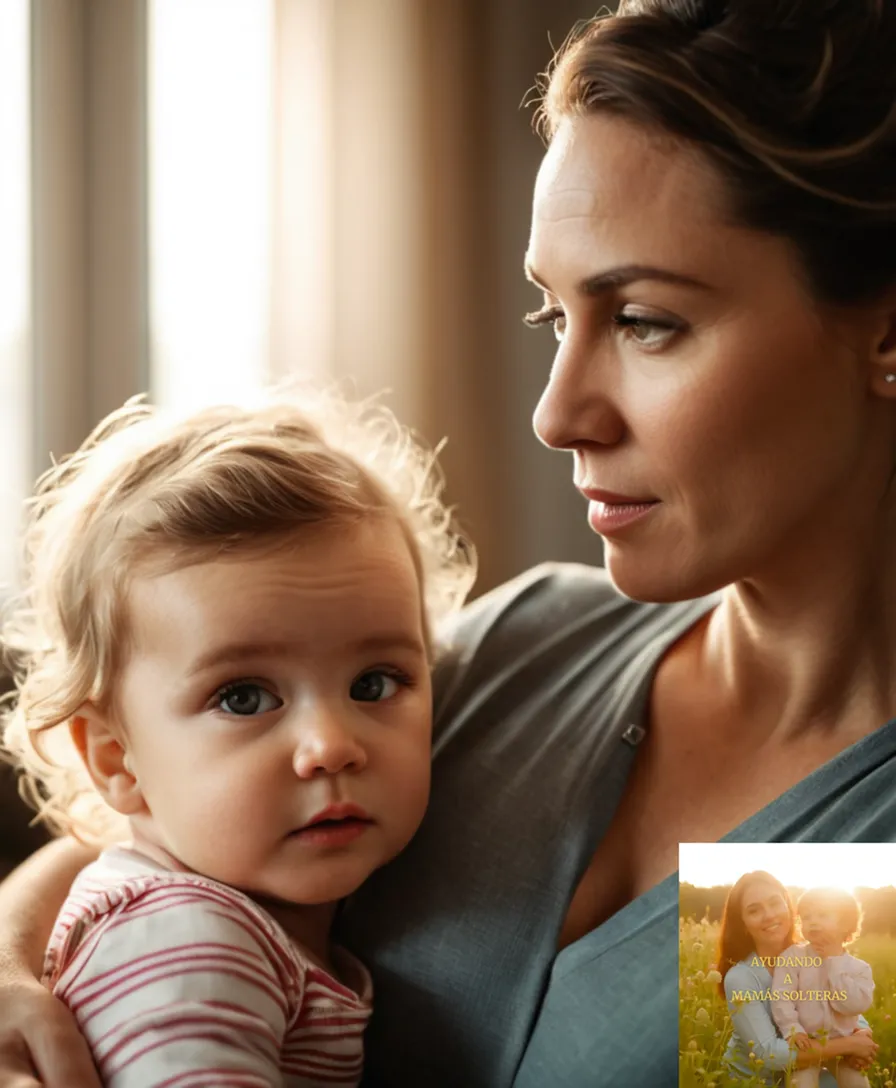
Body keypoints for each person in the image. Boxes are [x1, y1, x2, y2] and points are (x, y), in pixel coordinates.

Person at [2, 0, 896, 1084]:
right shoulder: (520, 650)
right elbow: (159, 822)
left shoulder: (860, 838)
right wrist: (13, 965)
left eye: (643, 320)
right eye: (550, 318)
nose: (557, 412)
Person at [0, 388, 476, 1086]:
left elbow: (705, 1050)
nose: (332, 745)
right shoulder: (188, 937)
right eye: (244, 697)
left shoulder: (227, 922)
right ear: (112, 758)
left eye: (373, 684)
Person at [717, 873, 877, 1086]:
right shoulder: (741, 977)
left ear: (789, 907)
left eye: (775, 903)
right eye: (754, 910)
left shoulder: (815, 952)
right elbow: (769, 1053)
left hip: (809, 1064)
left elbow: (839, 1003)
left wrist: (862, 1033)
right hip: (756, 1079)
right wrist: (849, 1045)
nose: (769, 915)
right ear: (743, 923)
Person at [771, 887, 874, 1088]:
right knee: (801, 1084)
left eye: (823, 915)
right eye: (807, 917)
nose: (813, 922)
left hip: (844, 1047)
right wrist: (793, 1030)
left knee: (858, 1084)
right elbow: (781, 997)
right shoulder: (792, 958)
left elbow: (852, 1006)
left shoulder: (859, 969)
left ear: (845, 924)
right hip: (807, 1044)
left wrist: (833, 961)